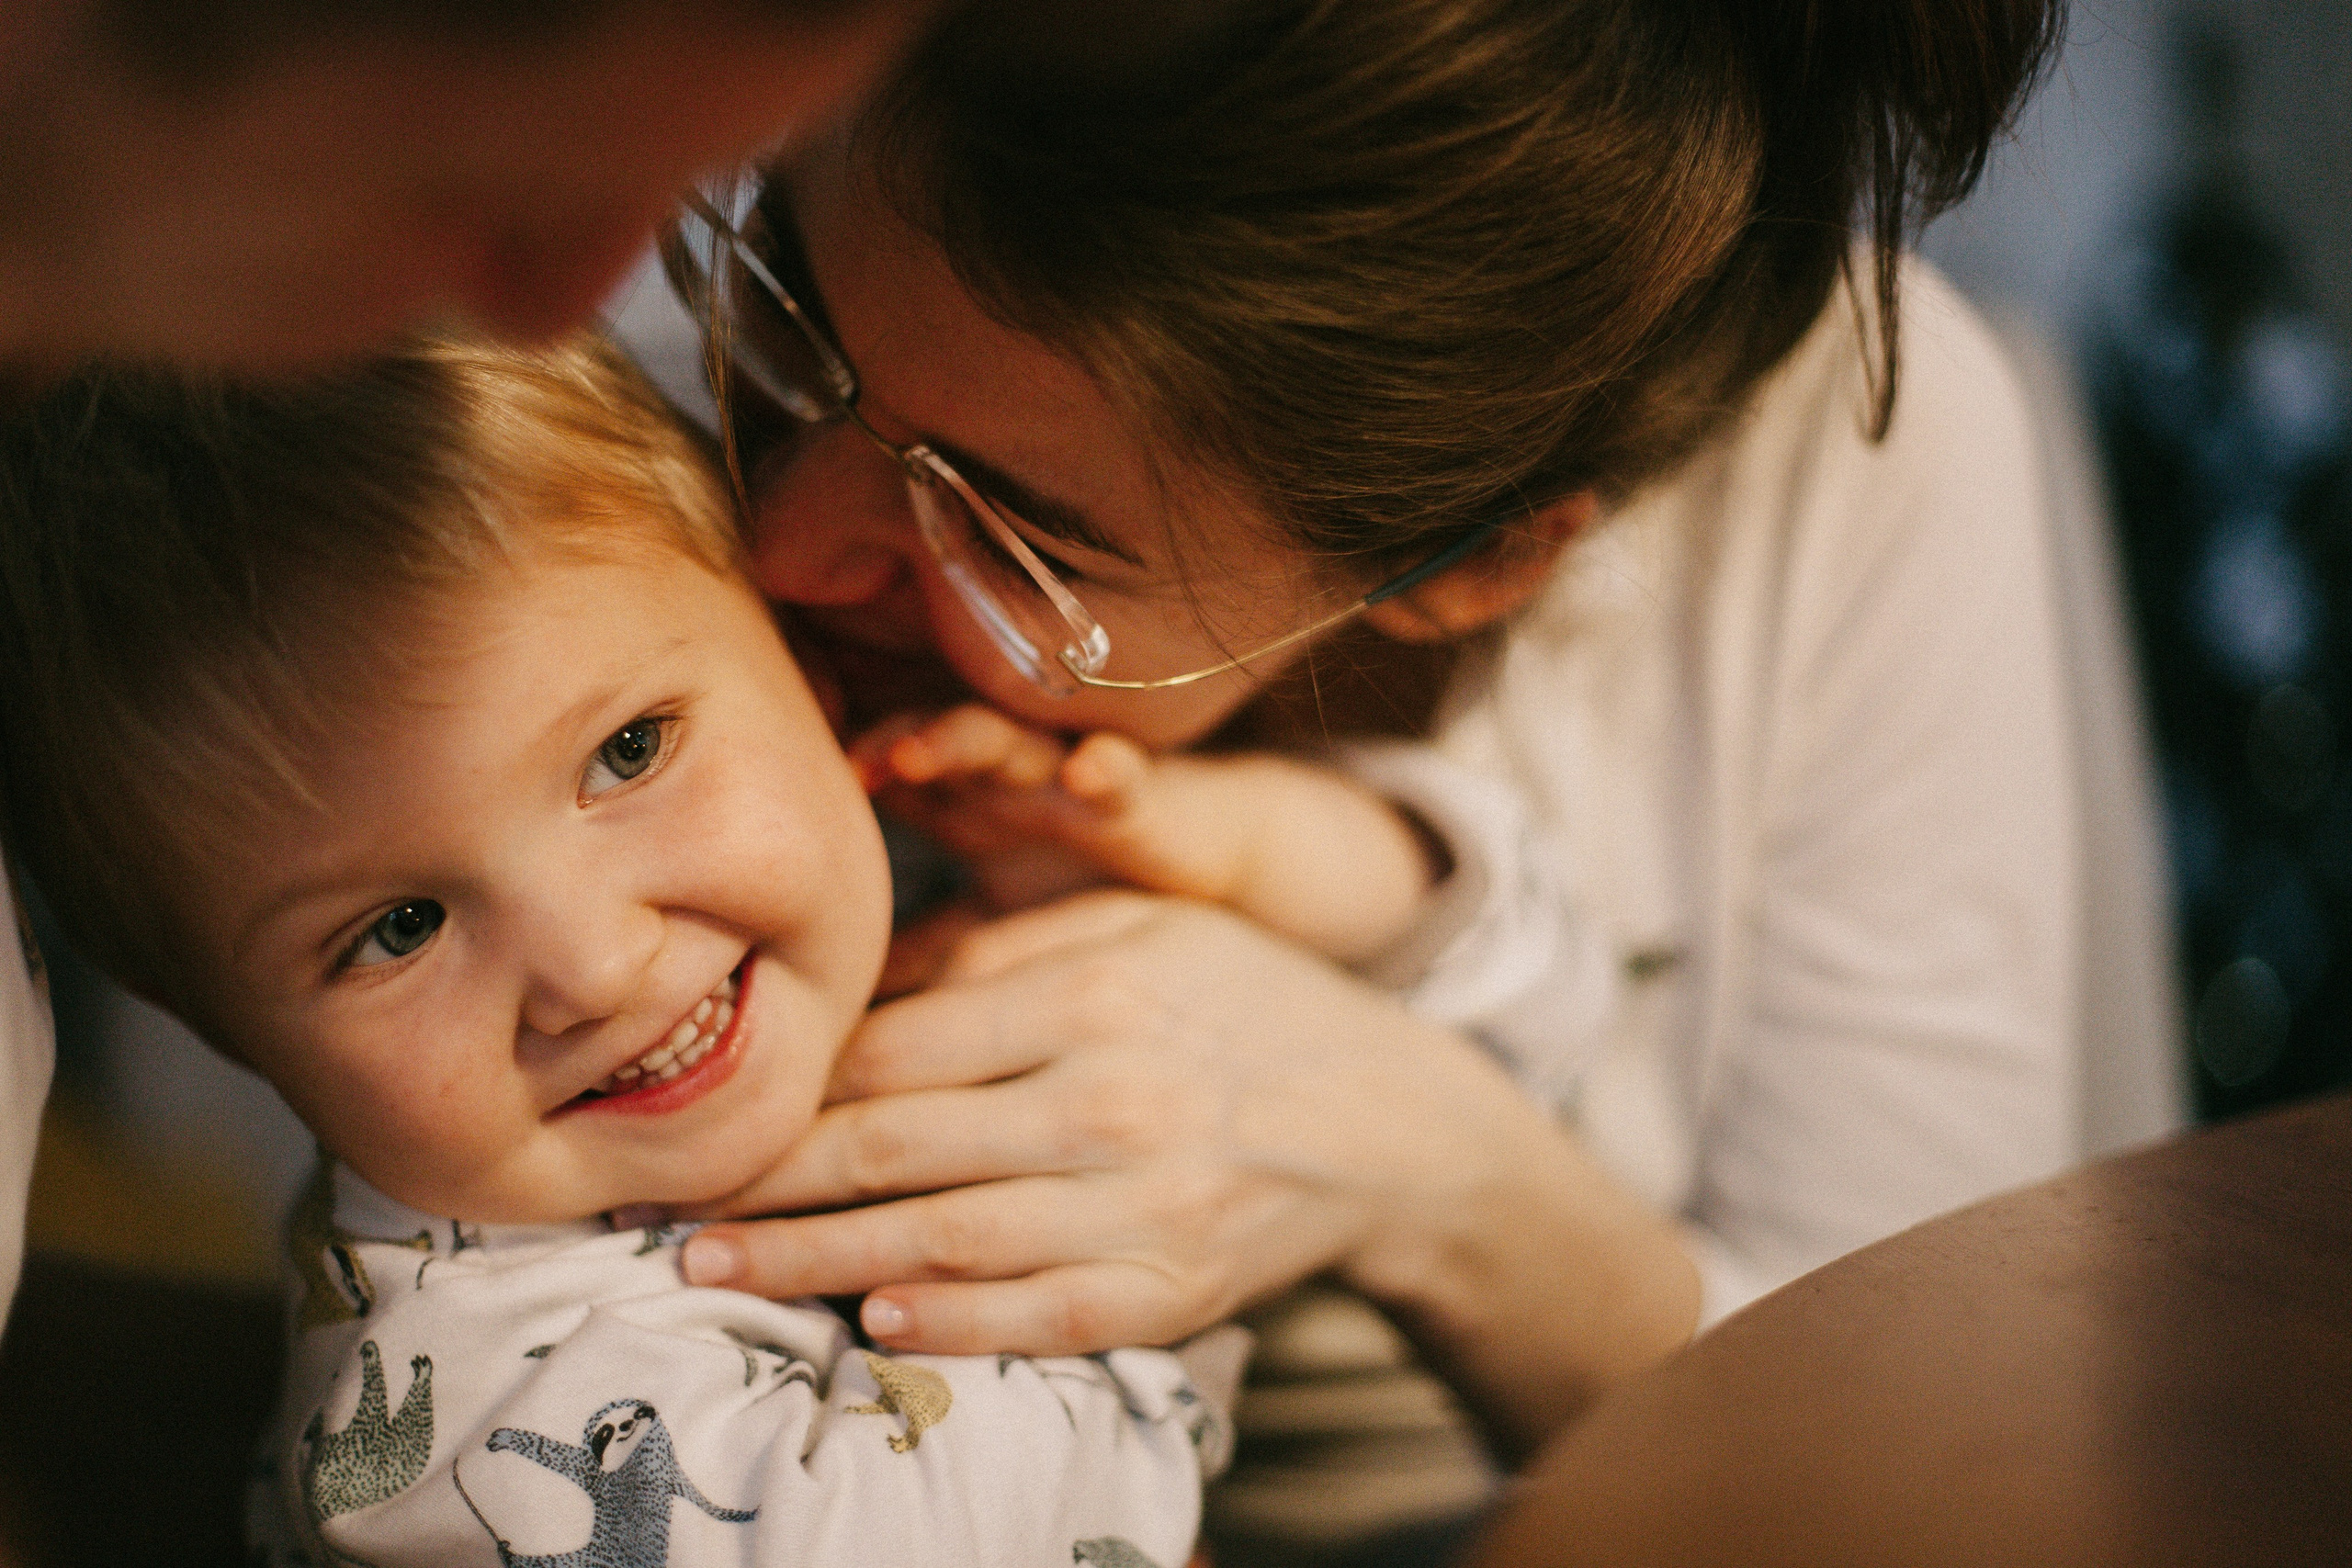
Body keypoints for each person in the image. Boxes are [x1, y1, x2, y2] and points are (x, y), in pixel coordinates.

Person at [652, 0, 2087, 1548]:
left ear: (1474, 567)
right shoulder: (607, 334)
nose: (779, 546)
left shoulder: (1862, 484)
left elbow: (1936, 1472)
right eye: (788, 304)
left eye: (1016, 542)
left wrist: (1421, 1165)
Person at [0, 329, 1405, 1565]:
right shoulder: (472, 1434)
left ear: (806, 658)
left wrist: (1225, 850)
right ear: (205, 1014)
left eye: (629, 752)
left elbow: (1542, 992)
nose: (599, 971)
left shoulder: (897, 877)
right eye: (399, 929)